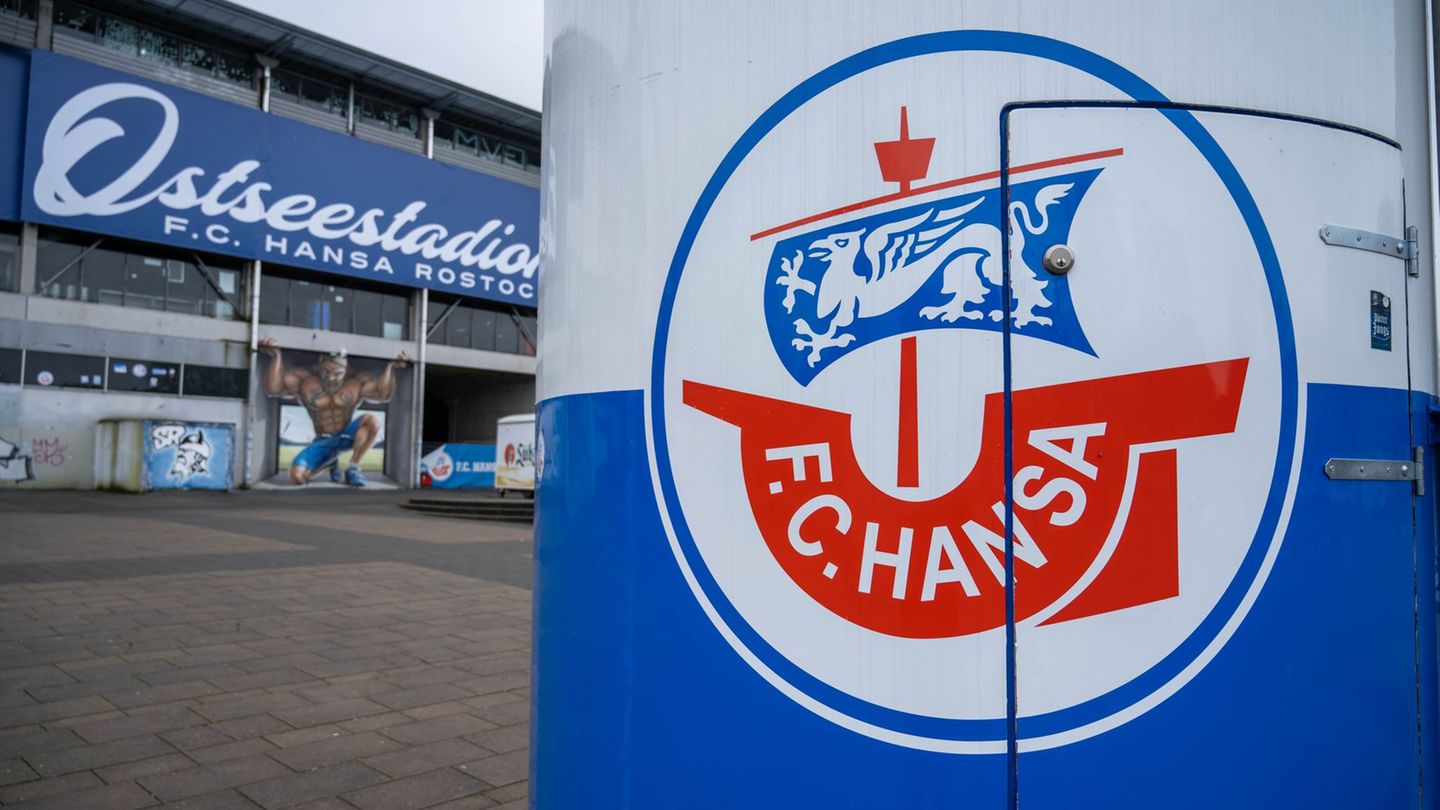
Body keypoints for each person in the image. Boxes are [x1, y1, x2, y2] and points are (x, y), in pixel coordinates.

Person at [258, 337, 410, 486]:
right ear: (319, 367)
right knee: (297, 477)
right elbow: (273, 389)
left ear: (345, 370)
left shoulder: (356, 383)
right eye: (326, 371)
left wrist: (391, 367)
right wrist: (276, 356)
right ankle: (328, 464)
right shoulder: (305, 381)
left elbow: (384, 394)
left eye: (337, 373)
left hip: (345, 436)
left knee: (371, 421)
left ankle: (353, 468)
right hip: (322, 440)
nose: (331, 378)